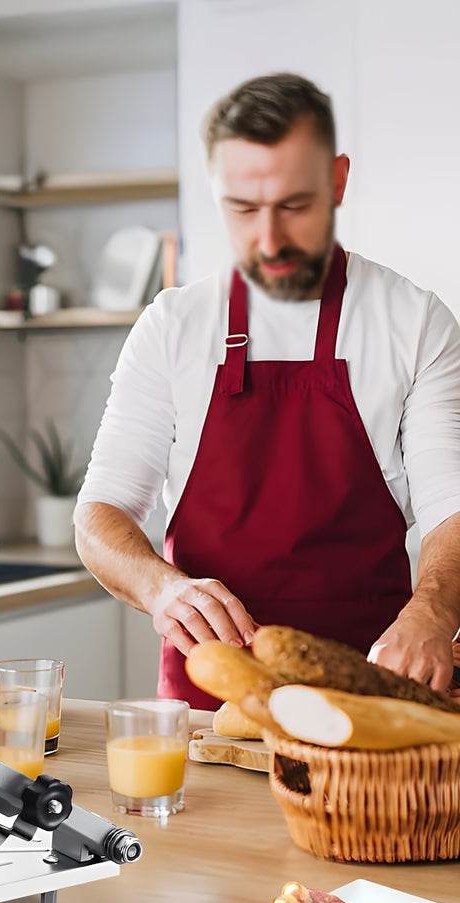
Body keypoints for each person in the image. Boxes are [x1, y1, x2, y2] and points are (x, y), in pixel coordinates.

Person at [74, 72, 460, 710]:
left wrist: (435, 611)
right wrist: (160, 589)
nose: (270, 240)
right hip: (210, 706)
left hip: (373, 697)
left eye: (294, 205)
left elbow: (452, 508)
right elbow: (101, 515)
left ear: (337, 182)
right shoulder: (172, 327)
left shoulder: (414, 322)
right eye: (244, 210)